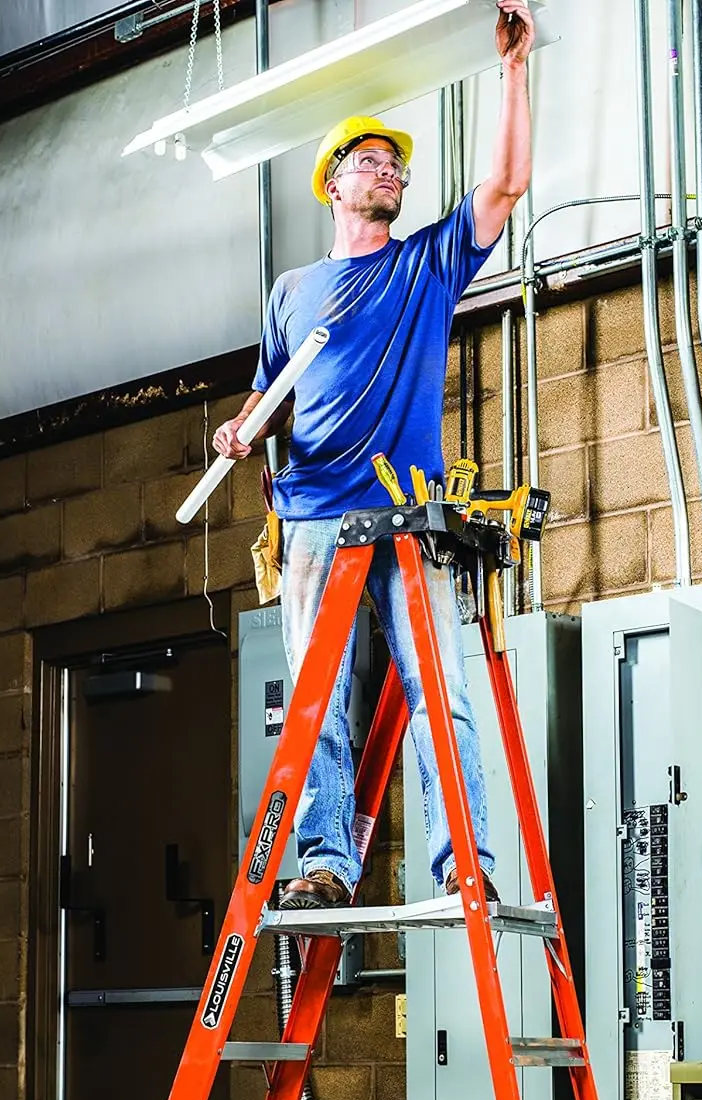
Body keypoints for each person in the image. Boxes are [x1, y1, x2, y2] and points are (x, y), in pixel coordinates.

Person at [214, 1, 535, 911]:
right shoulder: (292, 292)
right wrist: (242, 432)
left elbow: (505, 187)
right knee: (314, 713)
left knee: (445, 696)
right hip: (313, 518)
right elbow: (270, 396)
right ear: (332, 185)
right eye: (369, 161)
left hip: (406, 518)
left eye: (395, 164)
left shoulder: (425, 266)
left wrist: (513, 70)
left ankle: (462, 861)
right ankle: (326, 862)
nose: (388, 171)